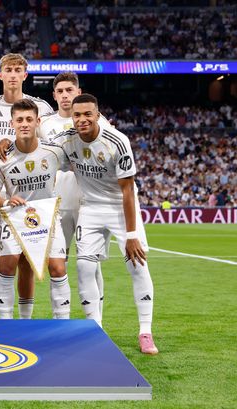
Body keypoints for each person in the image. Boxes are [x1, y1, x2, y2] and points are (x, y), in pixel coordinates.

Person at [51, 93, 158, 355]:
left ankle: (145, 331)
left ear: (98, 115)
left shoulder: (117, 141)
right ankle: (95, 328)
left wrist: (131, 234)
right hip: (90, 207)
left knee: (137, 264)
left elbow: (127, 190)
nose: (82, 119)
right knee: (84, 266)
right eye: (77, 115)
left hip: (120, 207)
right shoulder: (65, 140)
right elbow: (38, 150)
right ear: (72, 117)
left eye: (88, 114)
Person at [0, 53, 54, 319]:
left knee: (26, 260)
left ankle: (24, 320)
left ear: (25, 74)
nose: (13, 74)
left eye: (17, 70)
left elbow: (47, 143)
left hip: (26, 190)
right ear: (0, 75)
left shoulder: (41, 107)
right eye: (8, 70)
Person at [0, 99, 71, 319]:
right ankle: (7, 322)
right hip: (14, 216)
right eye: (20, 119)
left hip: (48, 216)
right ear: (12, 123)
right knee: (7, 267)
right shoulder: (2, 158)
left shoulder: (54, 151)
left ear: (37, 122)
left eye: (29, 119)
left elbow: (77, 161)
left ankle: (62, 323)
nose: (24, 124)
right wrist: (6, 202)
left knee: (58, 268)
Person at [38, 71, 110, 320]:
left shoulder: (99, 121)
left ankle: (96, 322)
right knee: (57, 264)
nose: (65, 95)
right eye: (60, 91)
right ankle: (62, 321)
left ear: (79, 92)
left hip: (89, 202)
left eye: (70, 90)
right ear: (54, 95)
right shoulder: (44, 124)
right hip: (56, 203)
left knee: (91, 263)